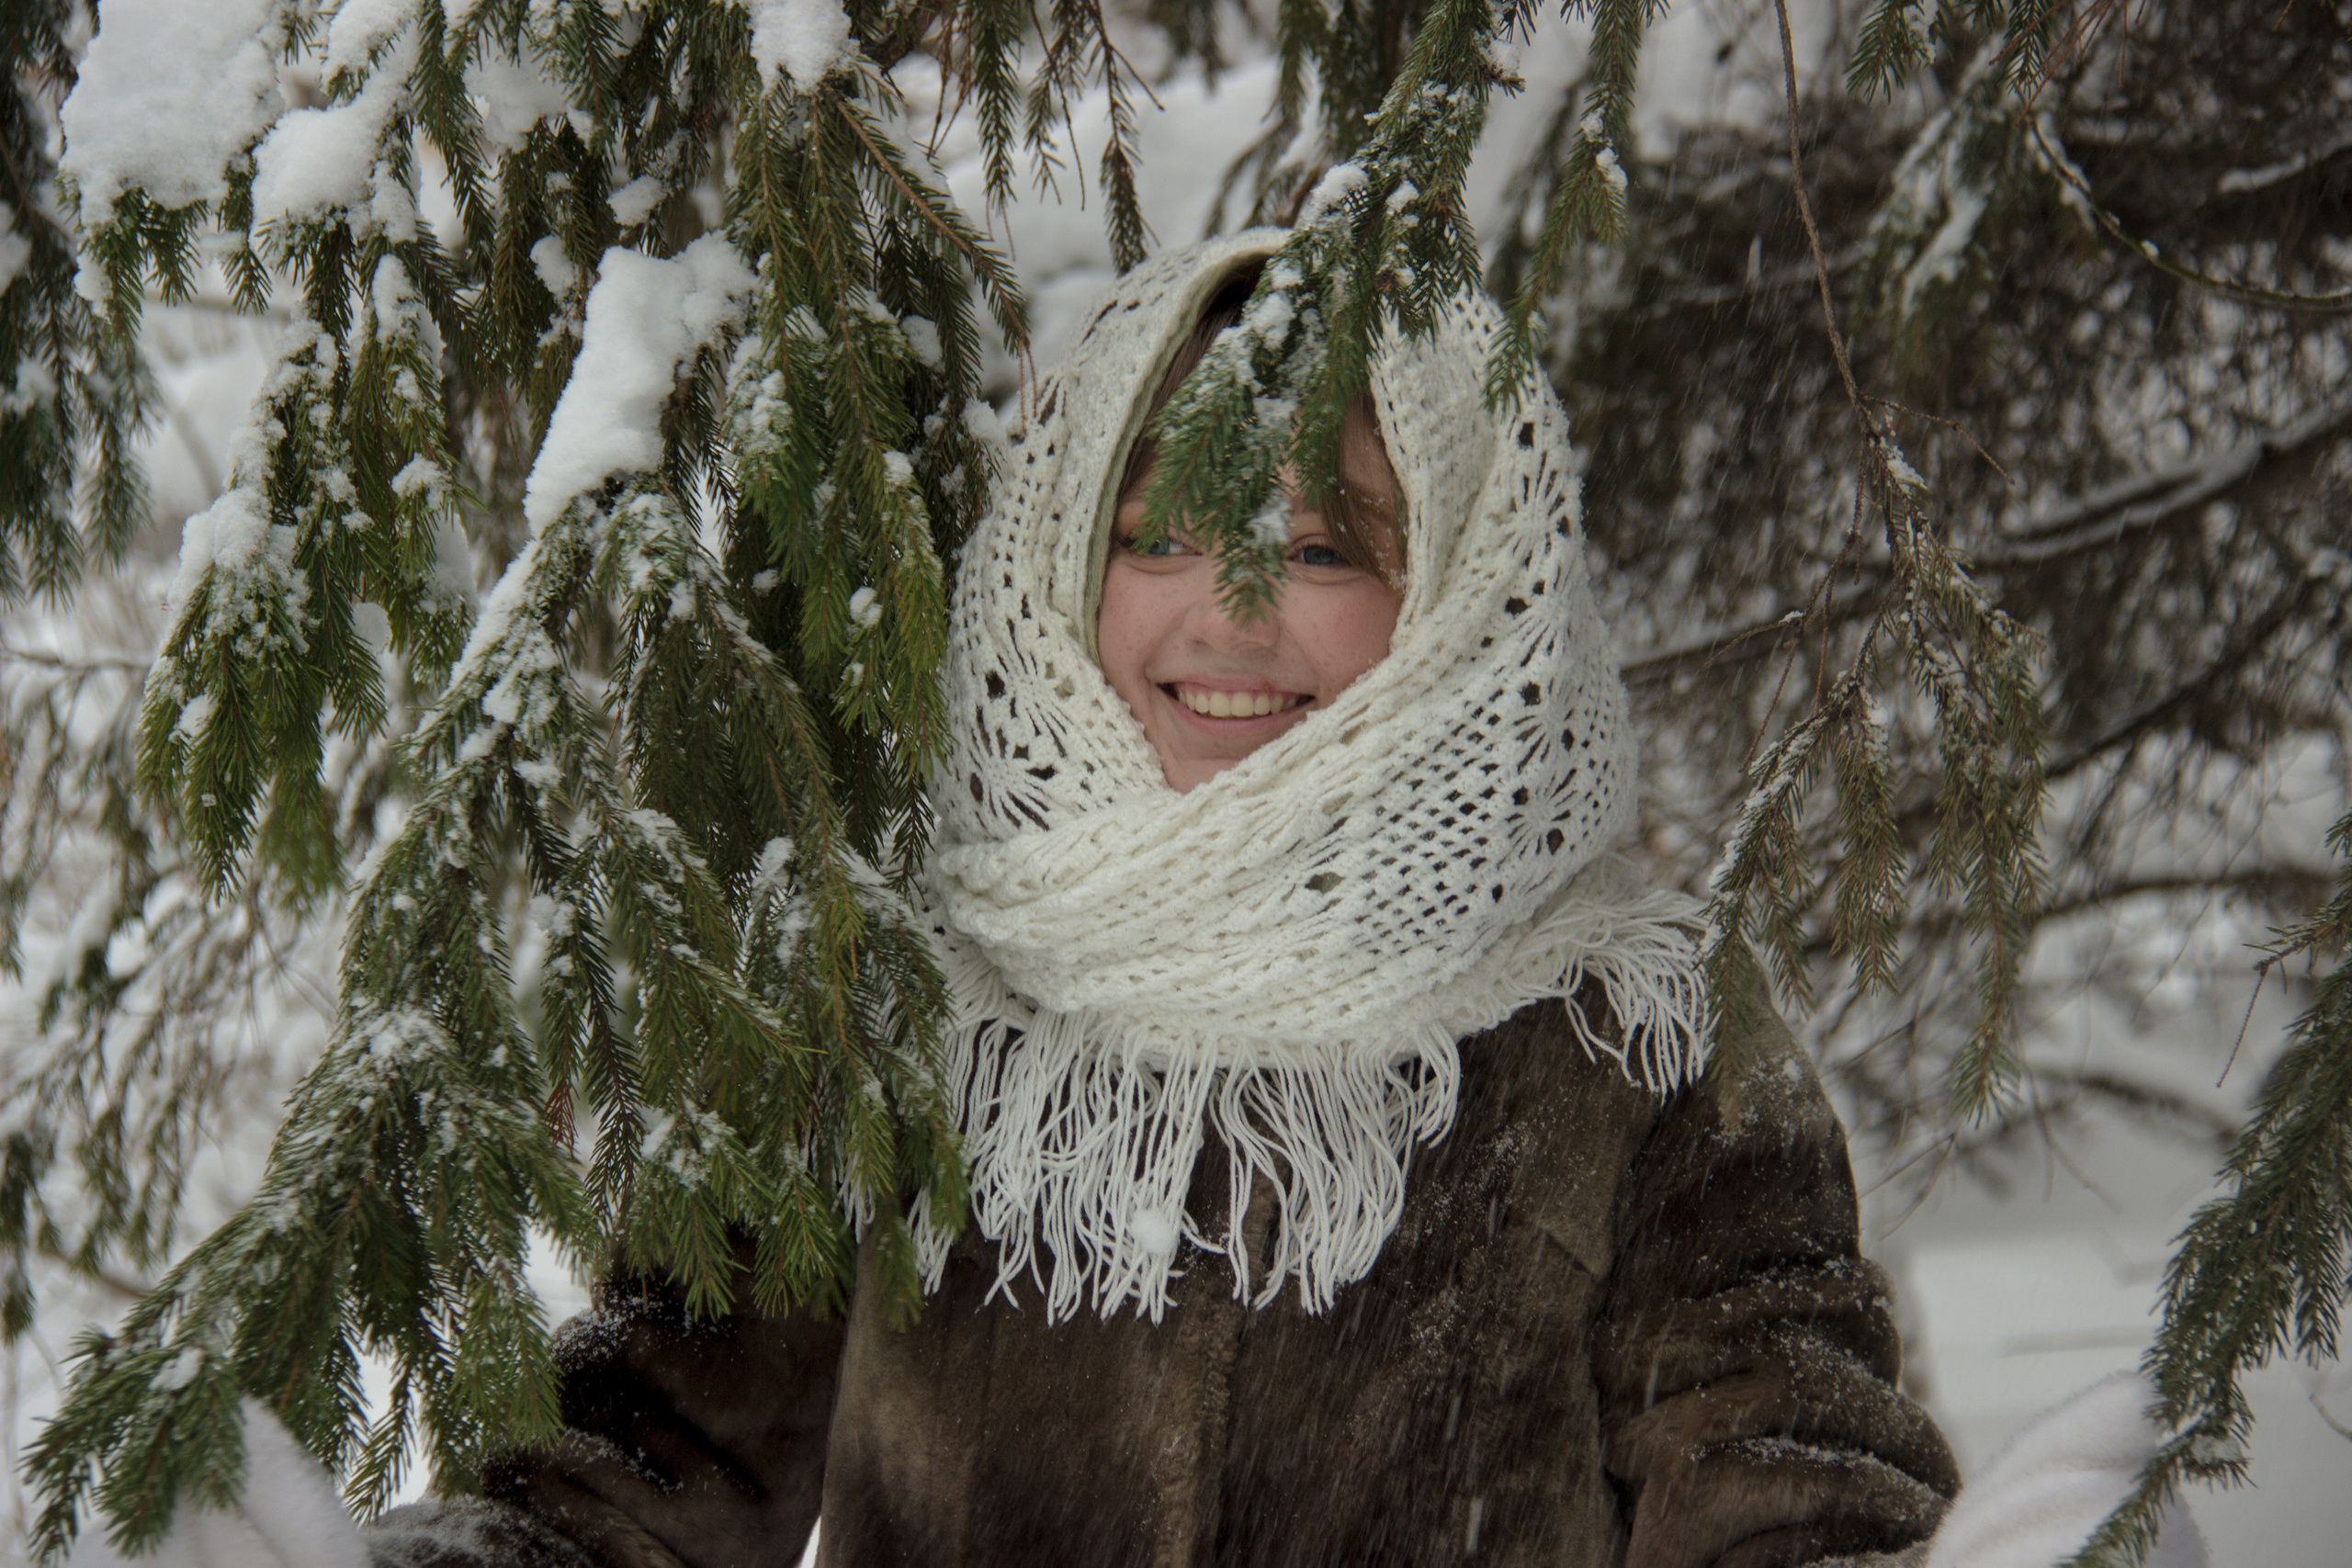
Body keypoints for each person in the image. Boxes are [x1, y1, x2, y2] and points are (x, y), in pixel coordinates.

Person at [74, 234, 2201, 1568]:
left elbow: (1782, 1473)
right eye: (1168, 526)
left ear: (1464, 597)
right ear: (1067, 550)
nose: (1229, 610)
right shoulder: (890, 993)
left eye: (1329, 542)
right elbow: (636, 1472)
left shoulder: (1632, 1035)